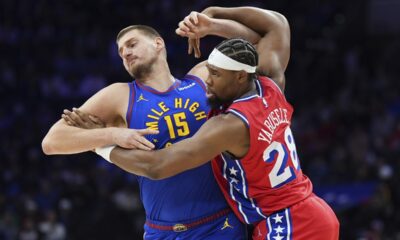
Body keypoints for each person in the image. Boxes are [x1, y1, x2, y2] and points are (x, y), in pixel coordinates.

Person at [74, 7, 340, 239]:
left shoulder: (230, 125)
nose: (207, 82)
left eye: (215, 74)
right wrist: (212, 18)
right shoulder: (270, 84)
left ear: (238, 78)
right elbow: (276, 25)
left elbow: (157, 166)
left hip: (287, 220)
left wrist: (101, 144)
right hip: (305, 210)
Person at [42, 6, 268, 239]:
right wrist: (113, 135)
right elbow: (52, 142)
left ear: (158, 43)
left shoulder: (203, 77)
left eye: (131, 44)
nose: (125, 54)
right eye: (120, 53)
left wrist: (212, 25)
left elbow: (257, 46)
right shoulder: (119, 95)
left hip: (220, 224)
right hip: (162, 231)